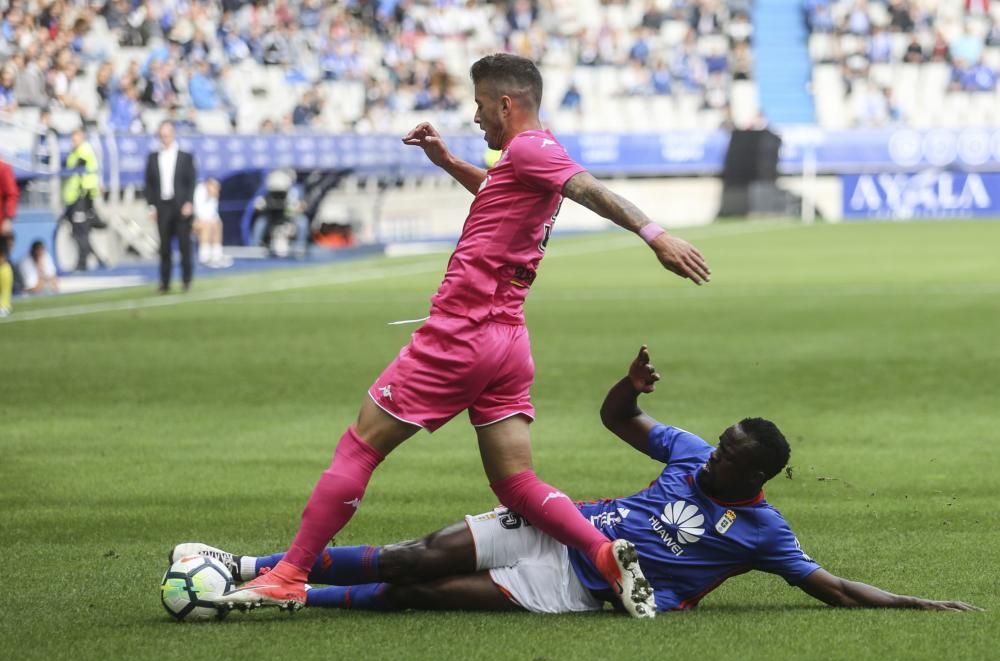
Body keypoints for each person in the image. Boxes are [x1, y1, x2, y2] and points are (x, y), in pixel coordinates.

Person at [220, 53, 710, 616]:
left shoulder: (533, 148)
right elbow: (498, 195)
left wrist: (656, 235)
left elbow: (586, 187)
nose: (475, 117)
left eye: (480, 105)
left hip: (461, 332)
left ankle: (289, 573)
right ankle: (602, 553)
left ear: (506, 103)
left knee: (360, 445)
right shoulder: (525, 161)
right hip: (507, 341)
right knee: (516, 482)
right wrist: (447, 159)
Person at [180, 347, 980, 616]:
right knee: (413, 553)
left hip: (576, 591)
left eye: (729, 454)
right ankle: (253, 569)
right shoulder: (688, 451)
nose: (711, 456)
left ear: (755, 472)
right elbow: (616, 419)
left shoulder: (762, 535)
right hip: (564, 529)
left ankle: (270, 600)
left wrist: (921, 602)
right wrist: (630, 386)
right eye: (719, 443)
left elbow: (833, 587)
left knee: (424, 592)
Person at [144, 120, 197, 293]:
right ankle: (164, 282)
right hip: (162, 206)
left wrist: (189, 202)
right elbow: (149, 184)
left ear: (173, 134)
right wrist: (151, 206)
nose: (164, 138)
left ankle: (186, 280)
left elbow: (191, 182)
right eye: (162, 135)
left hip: (180, 205)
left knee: (184, 246)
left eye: (167, 135)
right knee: (164, 247)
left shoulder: (185, 156)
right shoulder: (153, 157)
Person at [61, 129, 104, 272]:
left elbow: (82, 173)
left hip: (82, 198)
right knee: (79, 231)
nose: (72, 142)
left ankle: (83, 261)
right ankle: (96, 258)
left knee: (81, 231)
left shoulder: (83, 152)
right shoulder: (77, 152)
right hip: (74, 198)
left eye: (75, 139)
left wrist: (87, 197)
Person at [193, 178, 232, 268]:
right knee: (207, 224)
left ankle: (216, 255)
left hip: (207, 221)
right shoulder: (199, 192)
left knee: (218, 223)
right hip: (193, 221)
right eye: (216, 188)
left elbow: (214, 215)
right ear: (209, 186)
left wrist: (214, 221)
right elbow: (199, 213)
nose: (218, 191)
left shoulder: (213, 198)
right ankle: (205, 257)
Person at [0, 158, 18, 316]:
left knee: (1, 260)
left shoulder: (3, 167)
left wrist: (8, 218)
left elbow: (11, 194)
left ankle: (4, 303)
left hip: (0, 222)